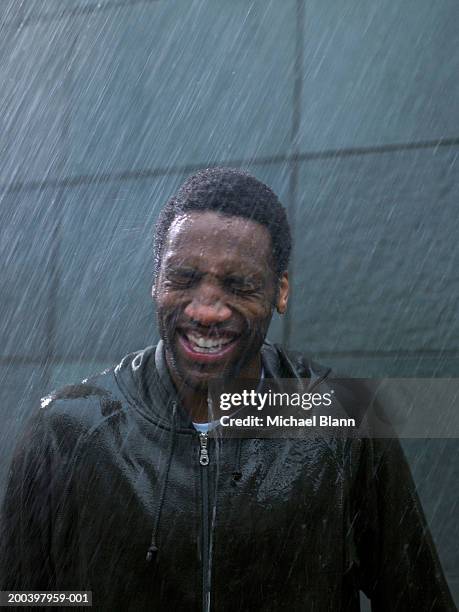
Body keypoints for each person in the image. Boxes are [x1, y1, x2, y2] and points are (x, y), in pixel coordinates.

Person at [0, 168, 455, 611]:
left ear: (280, 292)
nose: (207, 310)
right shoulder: (66, 432)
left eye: (238, 285)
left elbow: (415, 597)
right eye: (182, 278)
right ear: (155, 281)